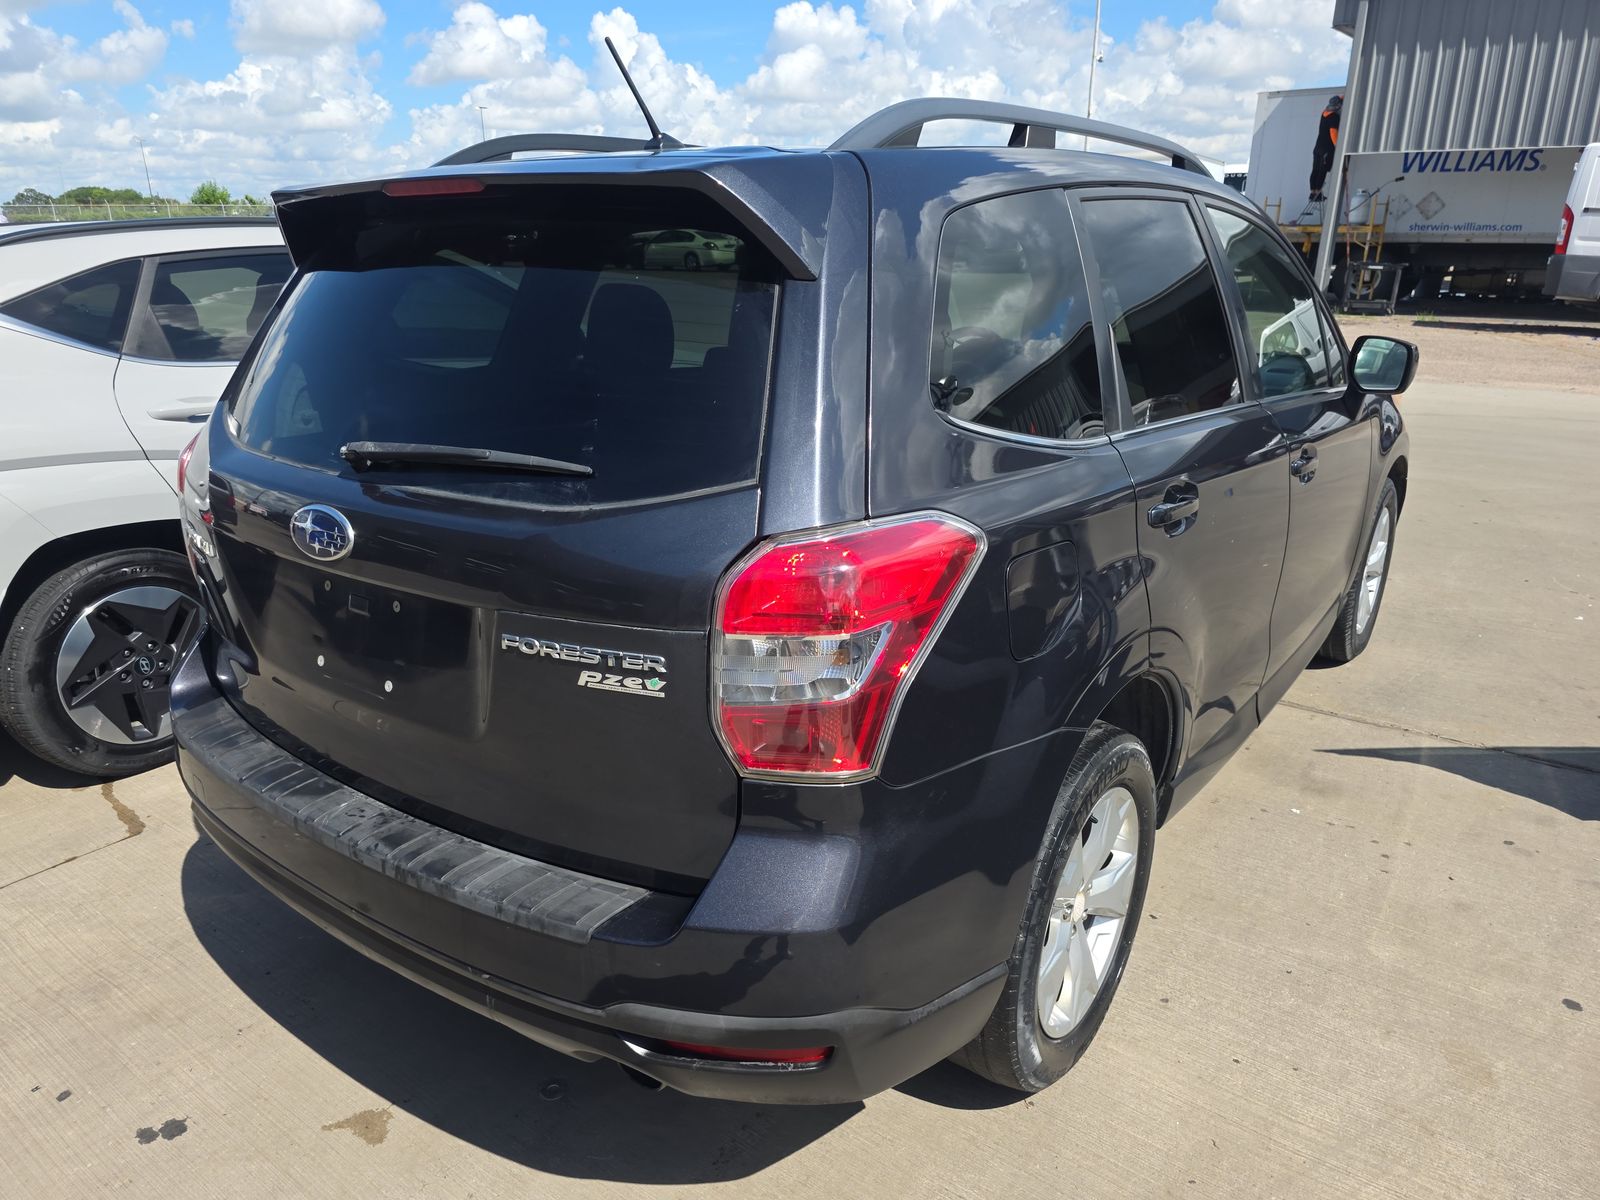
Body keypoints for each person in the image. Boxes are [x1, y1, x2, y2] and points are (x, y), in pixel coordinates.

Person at [1309, 94, 1343, 202]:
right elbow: (1333, 132)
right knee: (1322, 171)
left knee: (1315, 170)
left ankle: (1312, 192)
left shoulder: (1324, 114)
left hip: (1318, 148)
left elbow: (1337, 100)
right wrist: (1337, 146)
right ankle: (1318, 193)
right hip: (1326, 149)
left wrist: (1341, 97)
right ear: (1337, 106)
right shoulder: (1334, 117)